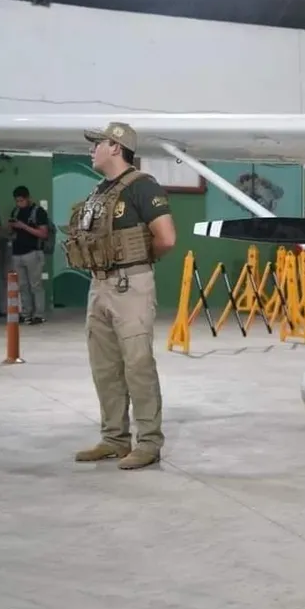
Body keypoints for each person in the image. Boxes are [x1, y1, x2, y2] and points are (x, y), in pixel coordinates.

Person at [68, 122, 177, 470]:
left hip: (131, 285)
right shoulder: (100, 191)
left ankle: (149, 443)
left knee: (138, 365)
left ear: (116, 147)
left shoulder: (143, 186)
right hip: (99, 284)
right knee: (105, 367)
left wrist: (138, 262)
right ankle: (114, 439)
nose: (92, 149)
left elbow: (166, 238)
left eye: (98, 143)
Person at [8, 185, 50, 324]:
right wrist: (12, 227)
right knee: (22, 286)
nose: (19, 203)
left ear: (28, 198)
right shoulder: (15, 212)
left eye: (21, 200)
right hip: (17, 253)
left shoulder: (38, 212)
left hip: (33, 252)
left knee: (35, 285)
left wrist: (24, 226)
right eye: (17, 201)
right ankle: (26, 312)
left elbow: (43, 234)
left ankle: (39, 314)